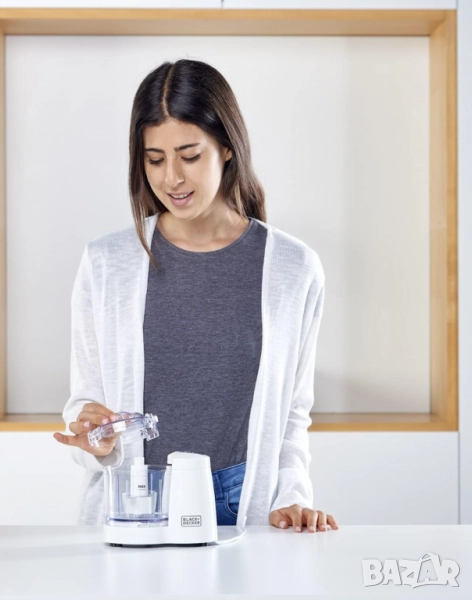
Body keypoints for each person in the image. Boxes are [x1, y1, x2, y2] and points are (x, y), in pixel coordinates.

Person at [54, 58, 338, 534]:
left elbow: (292, 413)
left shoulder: (293, 268)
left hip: (243, 501)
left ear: (226, 147)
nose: (172, 178)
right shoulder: (106, 263)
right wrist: (95, 438)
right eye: (155, 159)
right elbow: (87, 401)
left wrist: (292, 496)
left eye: (189, 156)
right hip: (136, 500)